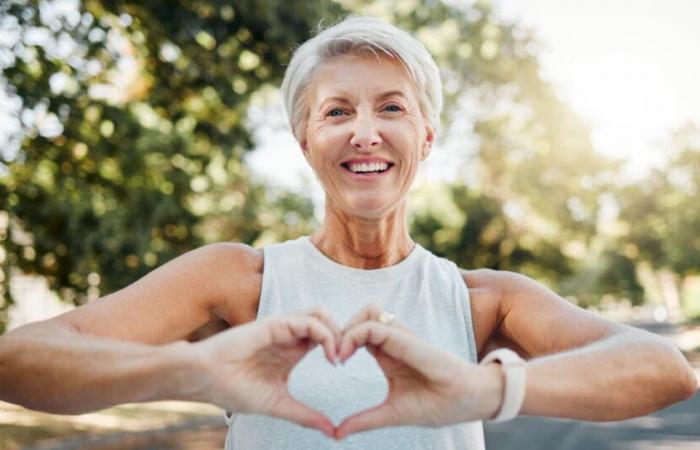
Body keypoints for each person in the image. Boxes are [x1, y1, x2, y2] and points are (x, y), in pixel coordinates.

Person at [0, 15, 696, 450]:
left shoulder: (482, 299)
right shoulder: (239, 281)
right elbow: (20, 360)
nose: (365, 131)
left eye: (391, 107)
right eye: (337, 112)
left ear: (425, 136)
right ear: (306, 141)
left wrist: (484, 390)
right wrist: (195, 370)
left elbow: (663, 371)